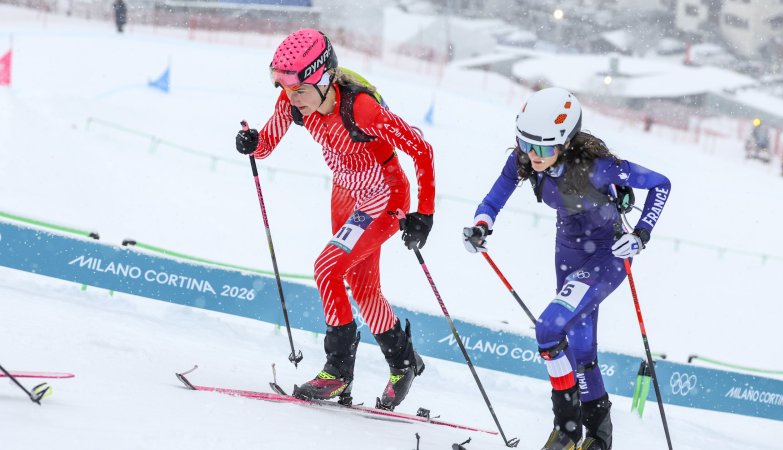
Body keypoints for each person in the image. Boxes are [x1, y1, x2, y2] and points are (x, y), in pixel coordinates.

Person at [235, 29, 435, 411]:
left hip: (384, 193)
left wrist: (424, 214)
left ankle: (338, 369)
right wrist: (253, 144)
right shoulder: (295, 102)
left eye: (299, 90)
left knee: (327, 269)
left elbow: (421, 150)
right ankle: (404, 362)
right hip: (345, 193)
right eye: (285, 89)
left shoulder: (362, 110)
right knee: (362, 288)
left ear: (324, 79)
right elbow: (267, 143)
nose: (292, 98)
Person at [462, 87, 671, 450]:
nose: (532, 155)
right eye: (525, 143)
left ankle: (568, 429)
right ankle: (599, 435)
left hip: (606, 256)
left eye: (543, 149)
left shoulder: (598, 168)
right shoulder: (524, 159)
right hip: (568, 253)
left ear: (566, 143)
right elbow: (495, 197)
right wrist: (481, 225)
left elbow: (661, 185)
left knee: (549, 328)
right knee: (581, 350)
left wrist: (640, 235)